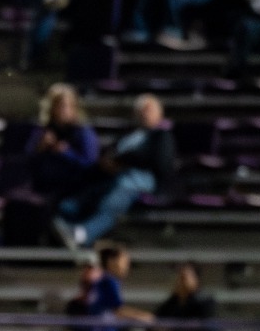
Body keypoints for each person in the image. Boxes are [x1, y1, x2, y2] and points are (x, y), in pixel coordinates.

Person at [53, 92, 174, 248]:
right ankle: (63, 229)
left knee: (111, 204)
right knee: (70, 204)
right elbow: (109, 154)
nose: (145, 114)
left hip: (138, 184)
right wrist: (107, 163)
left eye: (149, 110)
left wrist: (122, 162)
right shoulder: (129, 135)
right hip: (112, 179)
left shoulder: (162, 136)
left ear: (159, 113)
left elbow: (160, 162)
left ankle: (82, 235)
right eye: (142, 110)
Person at [26, 82, 99, 201]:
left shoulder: (83, 131)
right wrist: (41, 147)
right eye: (59, 106)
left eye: (67, 106)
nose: (64, 110)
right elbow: (28, 159)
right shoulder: (44, 130)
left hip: (73, 188)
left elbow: (90, 165)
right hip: (44, 186)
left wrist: (66, 152)